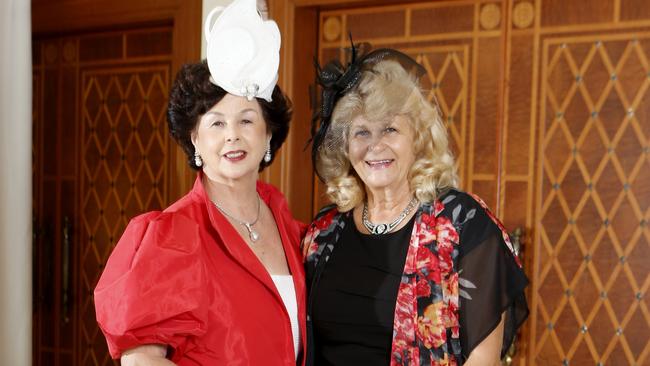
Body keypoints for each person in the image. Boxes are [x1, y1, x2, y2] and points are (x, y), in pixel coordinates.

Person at [94, 1, 306, 365]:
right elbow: (141, 361)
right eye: (217, 123)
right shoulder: (173, 235)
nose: (232, 137)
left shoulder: (287, 223)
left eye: (246, 120)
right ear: (194, 139)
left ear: (268, 134)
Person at [303, 44, 529, 365]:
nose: (375, 146)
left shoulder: (463, 225)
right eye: (361, 132)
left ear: (418, 137)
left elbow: (483, 359)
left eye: (390, 129)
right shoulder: (322, 233)